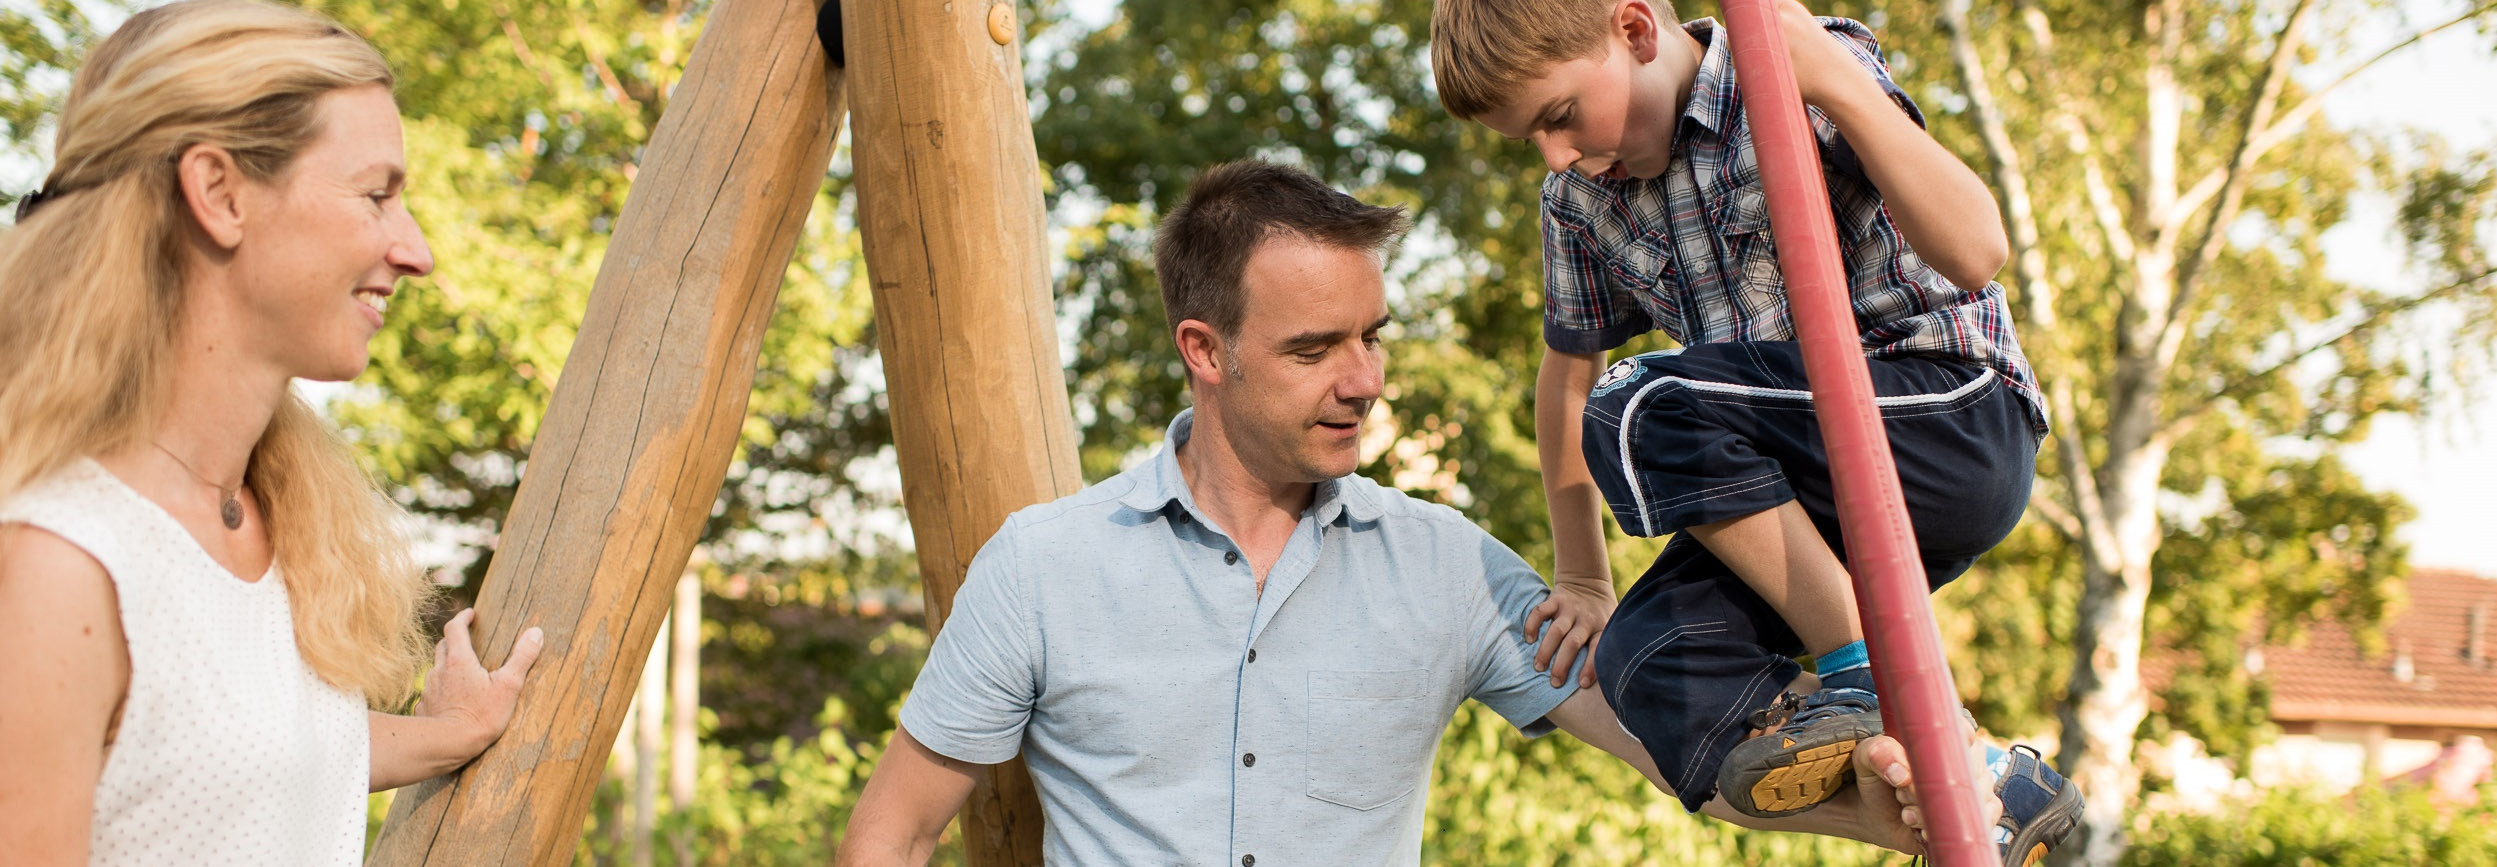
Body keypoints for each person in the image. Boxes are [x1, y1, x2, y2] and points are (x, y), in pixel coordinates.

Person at [835, 160, 1983, 866]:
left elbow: (1685, 749)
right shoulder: (1043, 568)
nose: (1364, 378)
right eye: (1312, 348)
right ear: (1205, 352)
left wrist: (1910, 818)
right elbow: (891, 835)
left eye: (1371, 336)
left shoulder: (1447, 569)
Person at [1429, 0, 2083, 862]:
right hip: (1805, 486)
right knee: (1647, 663)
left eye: (1558, 117)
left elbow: (1975, 250)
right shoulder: (1581, 200)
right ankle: (1989, 779)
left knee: (1640, 404)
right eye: (1530, 142)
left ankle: (1862, 671)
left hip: (1947, 419)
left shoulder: (1780, 63)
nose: (1556, 154)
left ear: (1633, 31)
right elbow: (1565, 374)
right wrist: (1583, 574)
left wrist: (1835, 86)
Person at [0, 2, 543, 863]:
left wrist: (447, 733)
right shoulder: (57, 564)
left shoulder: (265, 512)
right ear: (218, 193)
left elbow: (224, 762)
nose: (417, 251)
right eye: (376, 195)